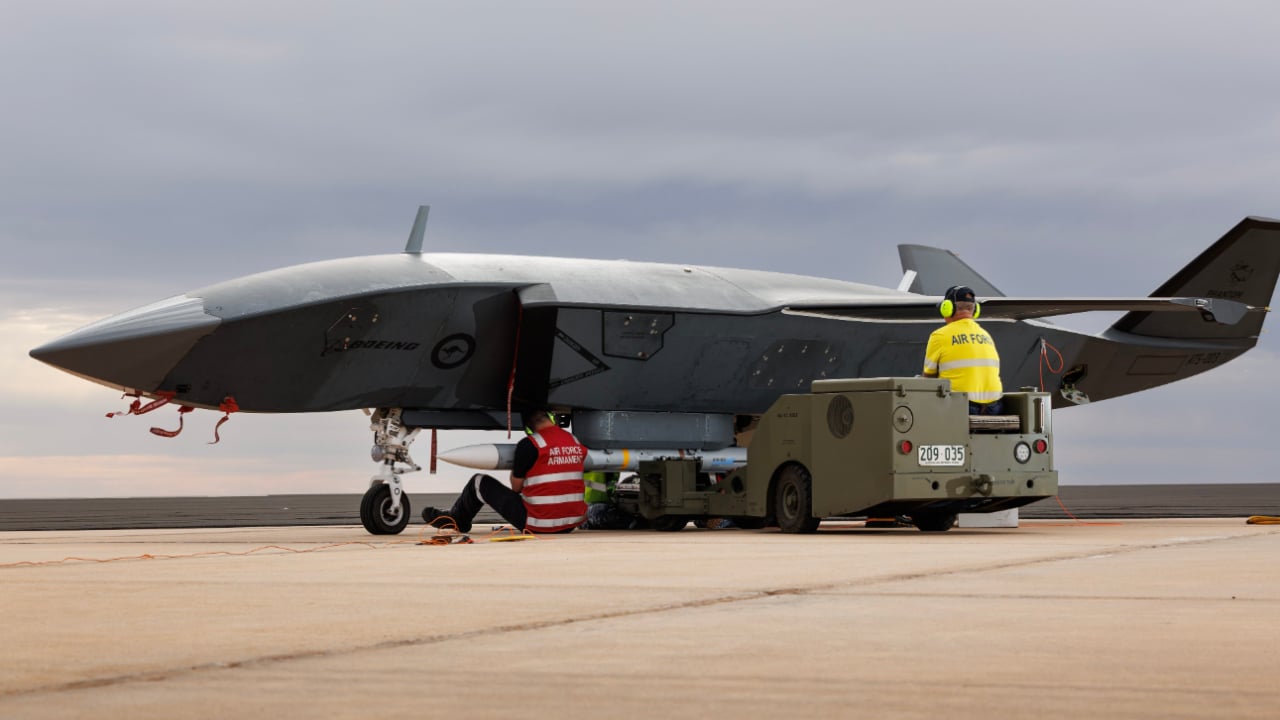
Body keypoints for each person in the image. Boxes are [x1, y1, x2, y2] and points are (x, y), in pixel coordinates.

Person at [421, 409, 587, 533]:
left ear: (528, 425)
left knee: (479, 482)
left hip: (539, 525)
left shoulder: (530, 444)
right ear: (548, 416)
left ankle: (458, 519)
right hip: (569, 524)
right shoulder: (574, 440)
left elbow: (516, 488)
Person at [921, 285, 1004, 415]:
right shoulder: (985, 335)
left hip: (962, 406)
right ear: (975, 310)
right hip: (994, 407)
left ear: (947, 309)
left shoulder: (939, 336)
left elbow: (928, 379)